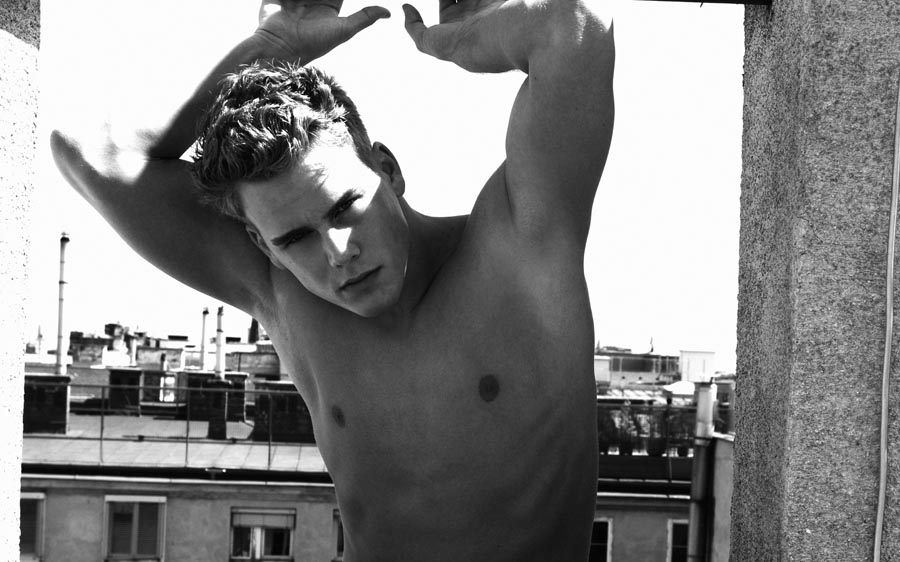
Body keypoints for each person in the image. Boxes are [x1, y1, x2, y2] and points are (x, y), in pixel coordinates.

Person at [50, 0, 615, 559]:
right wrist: (268, 50)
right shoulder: (282, 293)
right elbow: (90, 150)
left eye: (345, 207)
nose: (339, 252)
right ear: (262, 244)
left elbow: (572, 24)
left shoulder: (520, 250)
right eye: (295, 238)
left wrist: (465, 37)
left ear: (387, 170)